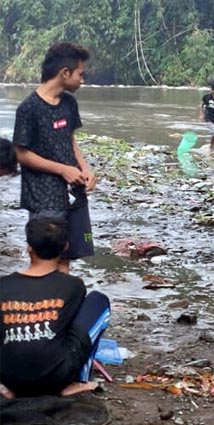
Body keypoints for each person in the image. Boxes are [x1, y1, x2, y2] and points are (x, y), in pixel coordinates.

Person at [0, 217, 111, 399]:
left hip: (11, 378)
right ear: (65, 247)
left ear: (29, 248)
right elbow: (70, 328)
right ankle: (78, 381)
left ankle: (7, 387)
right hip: (57, 378)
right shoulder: (73, 285)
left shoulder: (3, 284)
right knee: (98, 300)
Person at [13, 42, 95, 274]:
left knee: (66, 256)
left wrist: (85, 168)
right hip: (42, 197)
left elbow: (70, 141)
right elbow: (22, 154)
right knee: (45, 259)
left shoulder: (69, 103)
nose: (82, 79)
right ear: (64, 73)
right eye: (81, 74)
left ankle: (61, 306)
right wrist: (62, 169)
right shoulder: (28, 108)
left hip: (71, 194)